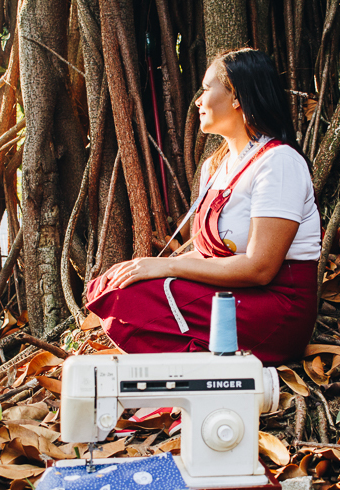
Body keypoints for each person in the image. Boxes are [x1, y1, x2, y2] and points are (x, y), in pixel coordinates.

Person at [85, 48, 321, 366]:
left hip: (275, 307)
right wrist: (148, 267)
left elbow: (260, 268)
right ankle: (195, 368)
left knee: (125, 298)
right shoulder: (215, 165)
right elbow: (208, 255)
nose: (198, 100)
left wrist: (167, 267)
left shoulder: (278, 162)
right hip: (227, 293)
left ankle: (202, 375)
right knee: (109, 284)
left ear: (237, 96)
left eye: (207, 88)